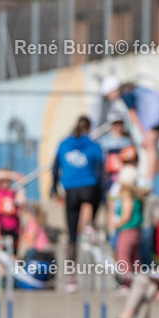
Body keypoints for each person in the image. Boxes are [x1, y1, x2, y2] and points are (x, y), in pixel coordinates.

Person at [52, 115, 104, 293]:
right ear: (88, 128)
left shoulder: (64, 144)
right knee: (90, 200)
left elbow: (55, 166)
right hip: (89, 187)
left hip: (71, 190)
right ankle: (89, 224)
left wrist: (53, 189)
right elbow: (100, 170)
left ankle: (71, 278)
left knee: (71, 237)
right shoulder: (93, 145)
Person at [101, 76, 159, 184]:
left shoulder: (125, 93)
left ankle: (149, 181)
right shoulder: (131, 89)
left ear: (113, 90)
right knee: (153, 148)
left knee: (150, 148)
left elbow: (133, 115)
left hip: (156, 116)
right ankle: (157, 177)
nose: (109, 98)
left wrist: (144, 134)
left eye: (108, 95)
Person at [108, 165, 146, 286]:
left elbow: (126, 215)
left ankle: (127, 282)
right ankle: (138, 283)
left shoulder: (127, 194)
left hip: (127, 230)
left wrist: (116, 224)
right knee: (135, 259)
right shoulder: (138, 194)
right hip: (136, 231)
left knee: (123, 257)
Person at [0, 169, 24, 253]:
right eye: (3, 181)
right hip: (1, 228)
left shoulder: (13, 193)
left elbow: (21, 203)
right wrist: (14, 176)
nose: (5, 183)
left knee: (14, 254)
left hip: (14, 228)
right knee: (2, 253)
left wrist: (21, 185)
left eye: (7, 181)